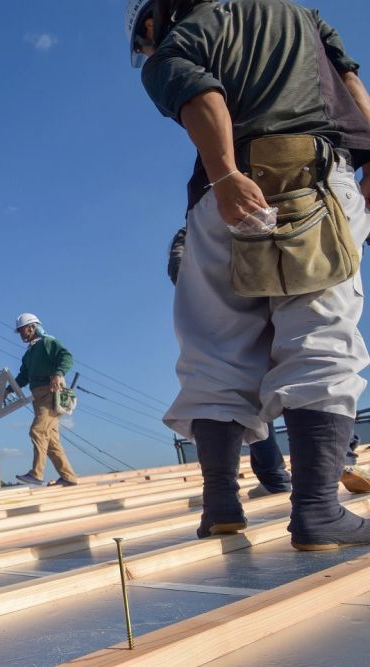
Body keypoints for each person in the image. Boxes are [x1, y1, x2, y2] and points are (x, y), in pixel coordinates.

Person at [127, 0, 370, 549]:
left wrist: (228, 172)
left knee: (214, 352)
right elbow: (351, 86)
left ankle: (220, 505)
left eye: (144, 42)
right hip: (310, 179)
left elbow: (196, 89)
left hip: (219, 199)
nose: (147, 49)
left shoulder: (184, 35)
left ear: (152, 20)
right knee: (319, 337)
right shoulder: (304, 18)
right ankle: (317, 509)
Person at [167, 228, 292, 497]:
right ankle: (279, 478)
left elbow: (178, 267)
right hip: (260, 301)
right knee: (278, 383)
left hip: (229, 313)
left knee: (232, 392)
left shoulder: (197, 226)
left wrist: (197, 288)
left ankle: (242, 491)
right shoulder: (249, 217)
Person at [12, 313, 79, 488]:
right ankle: (68, 477)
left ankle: (36, 473)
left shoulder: (48, 343)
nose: (21, 334)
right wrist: (7, 390)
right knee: (50, 440)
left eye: (22, 330)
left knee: (38, 431)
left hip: (51, 392)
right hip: (39, 397)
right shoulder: (29, 354)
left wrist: (58, 373)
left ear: (32, 328)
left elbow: (66, 357)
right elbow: (23, 376)